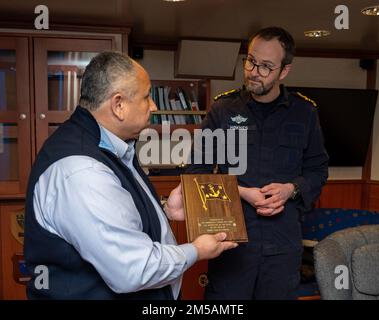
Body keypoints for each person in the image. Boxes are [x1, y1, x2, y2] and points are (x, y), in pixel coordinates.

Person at [23, 51, 238, 300]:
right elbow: (134, 269)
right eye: (147, 97)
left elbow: (116, 214)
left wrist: (165, 209)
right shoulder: (83, 172)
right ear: (119, 105)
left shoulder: (107, 144)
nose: (154, 106)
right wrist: (196, 251)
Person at [186, 26, 329, 299]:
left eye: (266, 66)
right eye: (251, 61)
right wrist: (242, 193)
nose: (254, 71)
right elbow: (197, 174)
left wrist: (291, 189)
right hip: (231, 246)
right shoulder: (223, 110)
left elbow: (317, 170)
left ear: (284, 71)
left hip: (283, 247)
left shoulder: (305, 112)